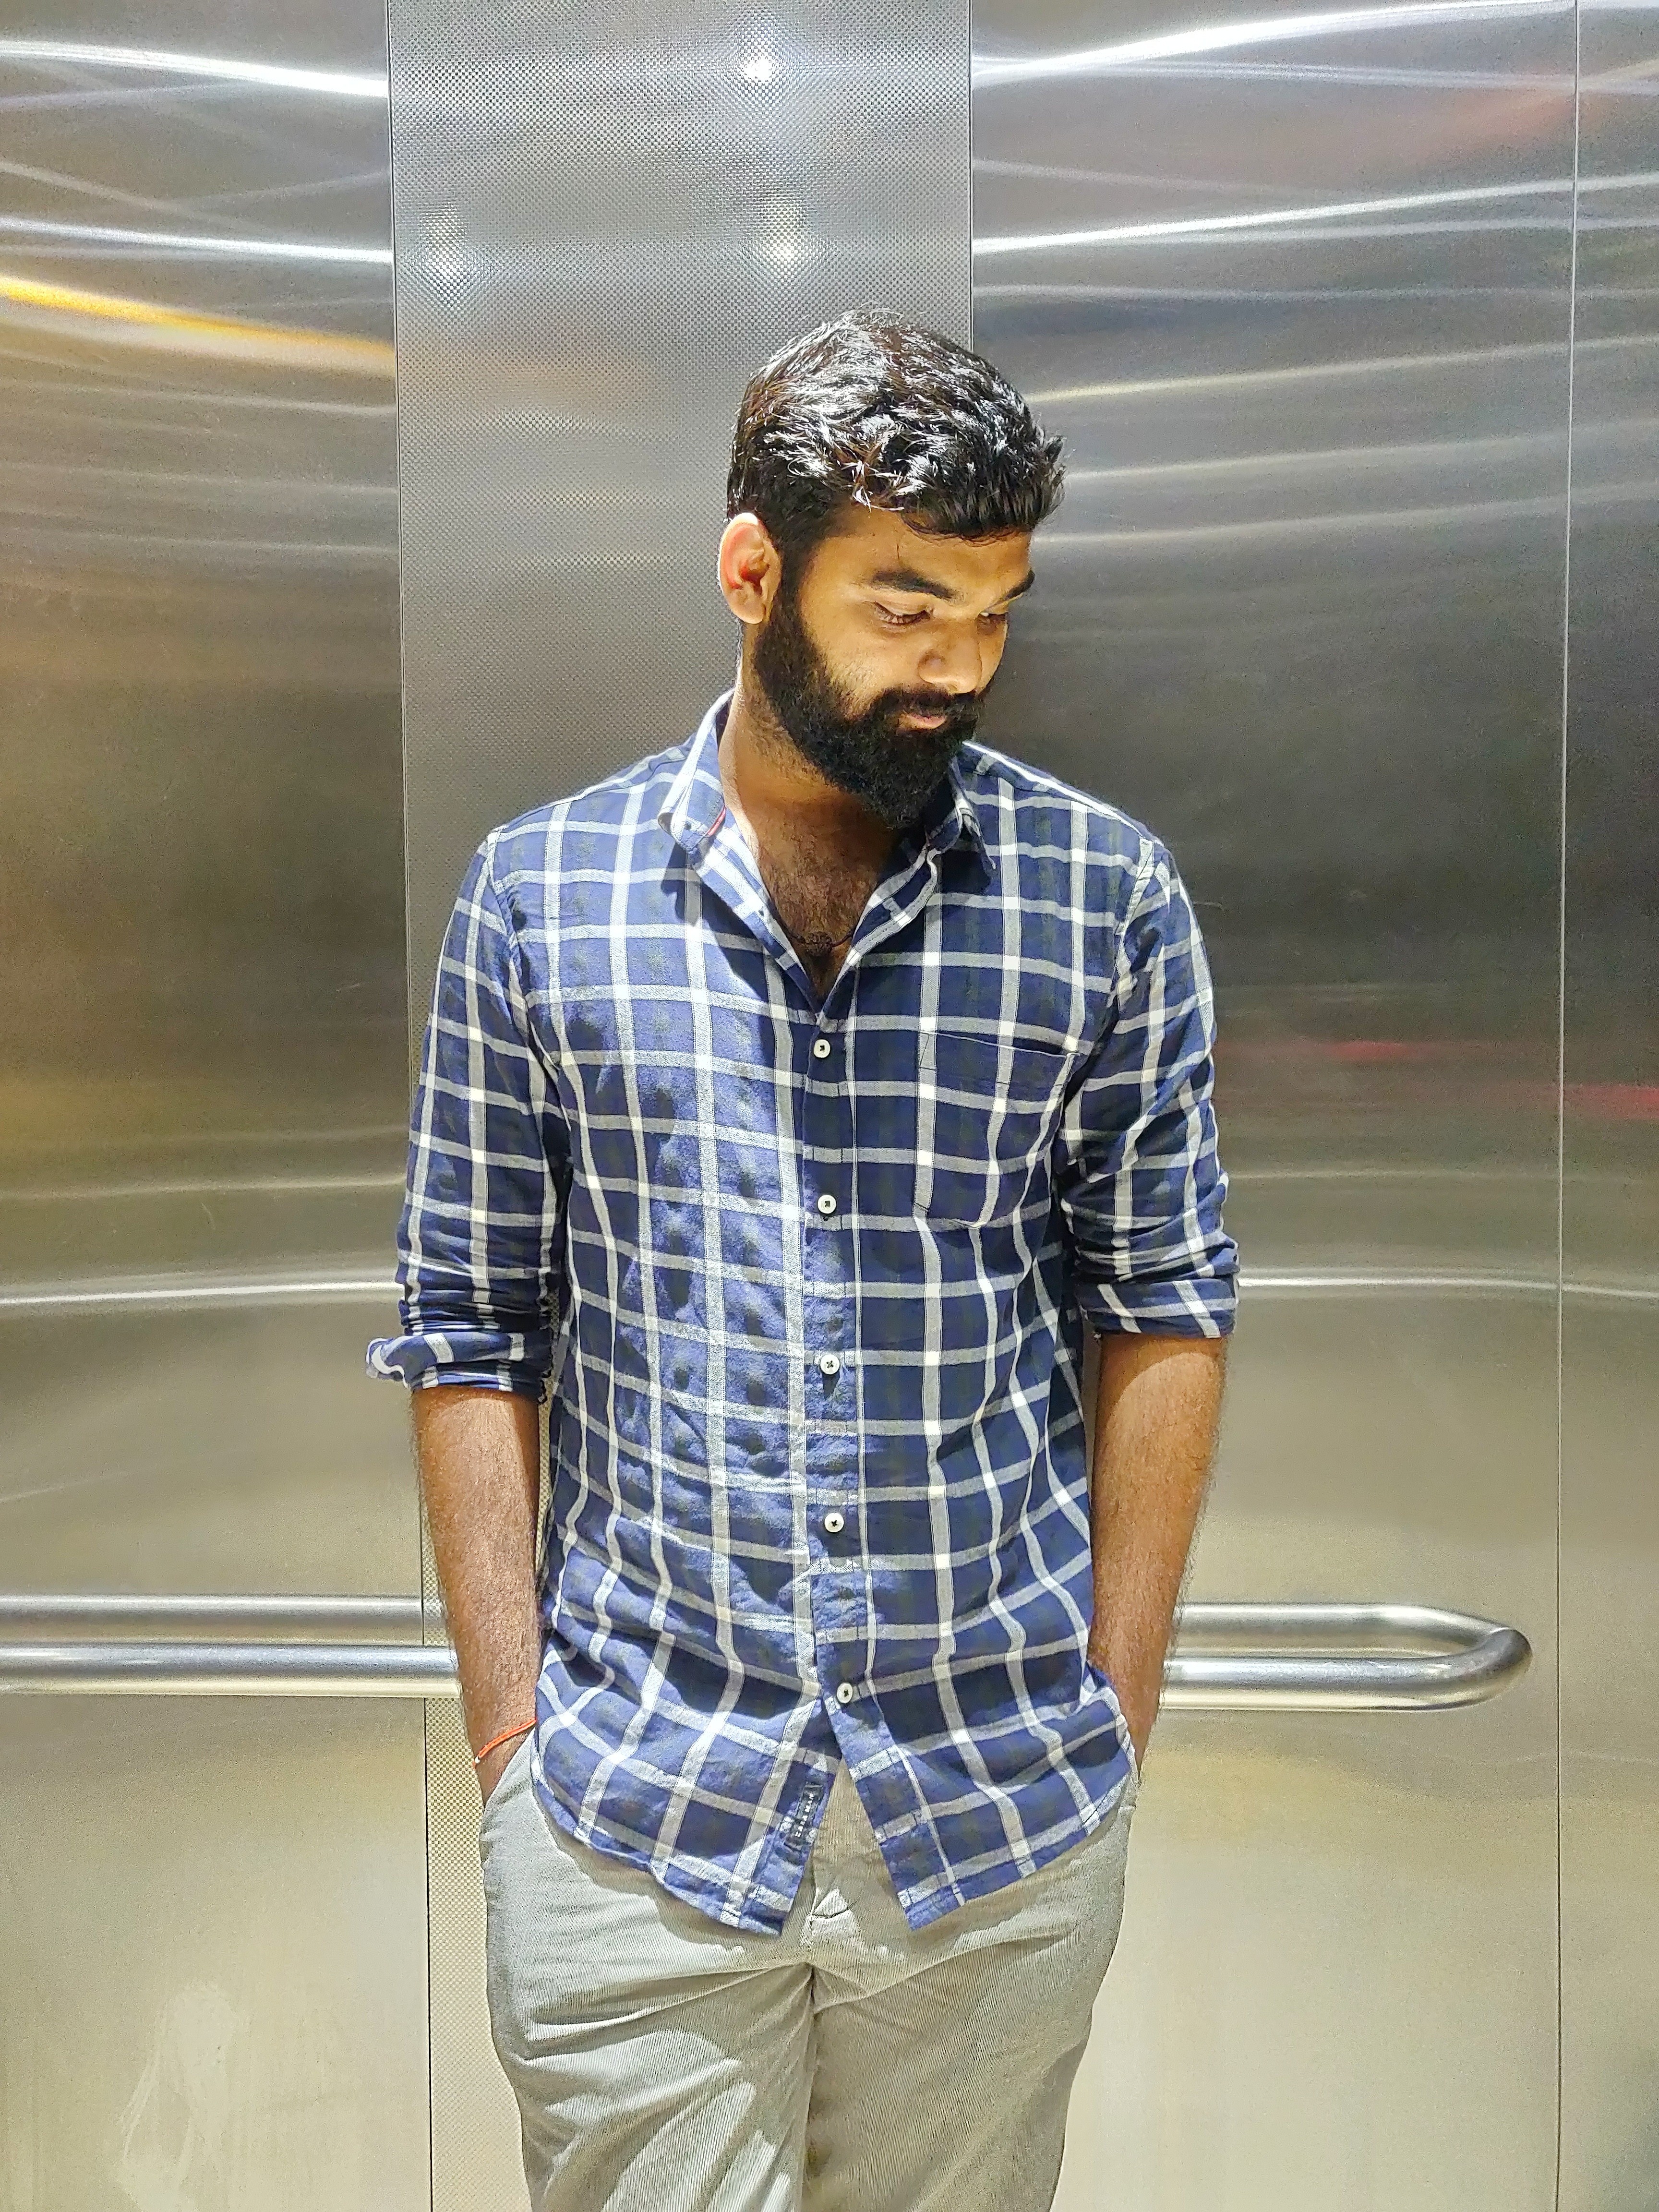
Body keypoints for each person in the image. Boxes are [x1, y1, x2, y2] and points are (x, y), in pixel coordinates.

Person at [368, 311, 1236, 2212]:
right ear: (753, 572)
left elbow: (1164, 1304)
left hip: (998, 1819)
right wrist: (512, 1743)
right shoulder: (540, 897)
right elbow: (469, 1329)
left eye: (993, 614)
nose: (959, 669)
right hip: (633, 1816)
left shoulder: (1104, 900)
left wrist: (1115, 1712)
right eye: (904, 610)